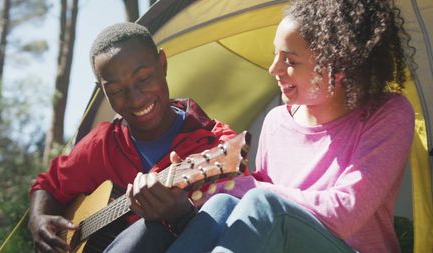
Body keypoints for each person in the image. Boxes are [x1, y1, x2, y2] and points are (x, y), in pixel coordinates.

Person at [124, 0, 415, 253]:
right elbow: (250, 199)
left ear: (337, 66)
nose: (273, 69)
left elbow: (344, 213)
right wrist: (194, 199)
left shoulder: (388, 113)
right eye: (275, 55)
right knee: (221, 205)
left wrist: (251, 188)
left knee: (264, 202)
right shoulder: (277, 121)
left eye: (289, 60)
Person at [27, 22, 237, 253]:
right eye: (116, 91)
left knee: (152, 231)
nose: (136, 99)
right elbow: (48, 184)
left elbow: (238, 228)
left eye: (144, 78)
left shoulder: (216, 143)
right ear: (103, 91)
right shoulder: (102, 145)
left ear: (163, 64)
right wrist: (38, 219)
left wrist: (182, 215)